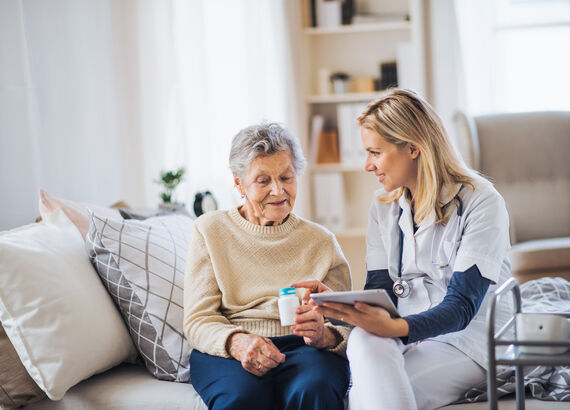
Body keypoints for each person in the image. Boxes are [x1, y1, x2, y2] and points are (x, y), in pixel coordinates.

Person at [296, 89, 513, 410]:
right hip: (408, 333)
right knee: (364, 339)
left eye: (374, 152)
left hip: (468, 339)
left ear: (412, 148)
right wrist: (342, 306)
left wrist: (395, 328)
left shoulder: (480, 201)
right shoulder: (383, 206)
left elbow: (462, 308)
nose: (367, 165)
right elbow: (381, 292)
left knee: (364, 396)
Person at [183, 122, 352, 410]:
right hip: (232, 345)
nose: (279, 190)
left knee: (315, 391)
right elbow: (198, 320)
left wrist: (325, 335)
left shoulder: (321, 241)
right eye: (263, 181)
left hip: (304, 347)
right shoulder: (209, 230)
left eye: (287, 177)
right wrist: (237, 342)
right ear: (238, 183)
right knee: (241, 398)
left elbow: (346, 324)